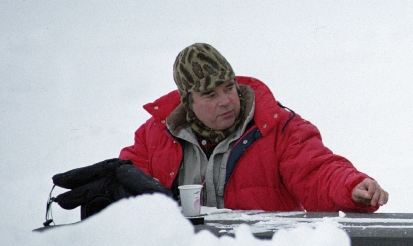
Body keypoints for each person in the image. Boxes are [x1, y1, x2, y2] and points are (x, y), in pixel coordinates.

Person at [120, 43, 388, 212]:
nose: (225, 101)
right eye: (210, 96)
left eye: (228, 88)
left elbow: (316, 171)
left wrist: (352, 186)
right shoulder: (153, 138)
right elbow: (127, 194)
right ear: (188, 102)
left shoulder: (278, 127)